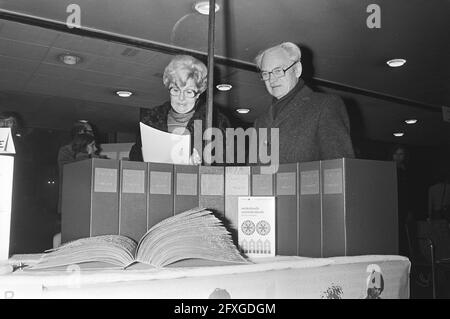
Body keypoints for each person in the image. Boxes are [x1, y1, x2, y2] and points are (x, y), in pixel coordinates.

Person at [252, 42, 354, 163]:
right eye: (265, 73)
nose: (272, 79)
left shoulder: (325, 106)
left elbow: (338, 170)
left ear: (297, 70)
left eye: (278, 71)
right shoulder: (260, 122)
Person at [131, 55, 230, 164]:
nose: (181, 98)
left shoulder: (215, 122)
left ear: (198, 93)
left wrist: (202, 165)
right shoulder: (151, 120)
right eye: (176, 90)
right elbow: (135, 158)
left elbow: (228, 165)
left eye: (188, 92)